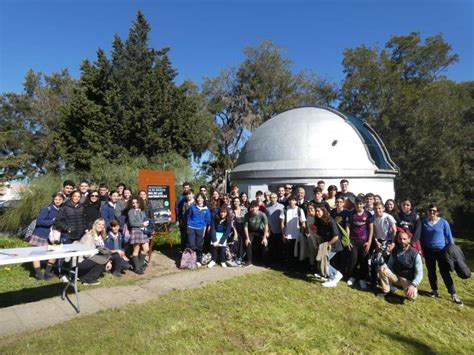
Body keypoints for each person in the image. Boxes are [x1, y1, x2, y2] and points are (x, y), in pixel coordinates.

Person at [420, 203, 462, 305]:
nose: (432, 212)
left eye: (434, 211)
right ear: (428, 212)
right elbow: (421, 238)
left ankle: (453, 294)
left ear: (437, 212)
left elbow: (449, 238)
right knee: (431, 271)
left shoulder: (443, 222)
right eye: (430, 210)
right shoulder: (423, 222)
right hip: (428, 251)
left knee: (445, 272)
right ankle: (434, 290)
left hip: (442, 251)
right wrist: (421, 251)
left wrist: (452, 251)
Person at [377, 230, 423, 300]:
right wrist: (384, 266)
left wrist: (413, 285)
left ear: (409, 240)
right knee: (382, 269)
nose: (402, 241)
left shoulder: (415, 254)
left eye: (404, 239)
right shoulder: (395, 250)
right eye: (400, 239)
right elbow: (389, 264)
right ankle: (386, 290)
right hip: (396, 276)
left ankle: (409, 289)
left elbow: (419, 273)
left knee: (412, 297)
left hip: (407, 279)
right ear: (397, 240)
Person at [29, 192, 64, 280]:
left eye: (60, 199)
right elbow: (39, 221)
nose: (57, 201)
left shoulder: (61, 210)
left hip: (53, 237)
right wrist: (52, 221)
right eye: (56, 199)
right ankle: (38, 273)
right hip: (41, 234)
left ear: (63, 200)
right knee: (36, 255)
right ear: (53, 199)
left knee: (54, 254)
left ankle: (47, 272)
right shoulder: (46, 209)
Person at [313, 203, 344, 287]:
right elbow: (321, 235)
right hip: (326, 244)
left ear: (323, 211)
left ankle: (333, 278)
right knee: (321, 260)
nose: (317, 213)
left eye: (318, 211)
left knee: (324, 261)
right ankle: (336, 274)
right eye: (316, 211)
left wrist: (327, 245)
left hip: (334, 245)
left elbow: (336, 237)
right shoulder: (320, 221)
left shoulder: (330, 221)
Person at [74, 218, 112, 285]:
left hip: (87, 260)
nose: (100, 226)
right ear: (95, 225)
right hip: (79, 262)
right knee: (102, 260)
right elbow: (87, 254)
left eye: (102, 225)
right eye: (99, 224)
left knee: (104, 259)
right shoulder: (89, 236)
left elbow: (103, 251)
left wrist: (108, 260)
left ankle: (84, 277)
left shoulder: (99, 236)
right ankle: (88, 279)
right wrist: (104, 260)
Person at [347, 197, 374, 290]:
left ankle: (362, 279)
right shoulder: (351, 213)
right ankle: (353, 277)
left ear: (364, 204)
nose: (358, 205)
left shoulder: (368, 214)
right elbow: (348, 227)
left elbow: (371, 229)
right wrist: (348, 240)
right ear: (355, 204)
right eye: (357, 203)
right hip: (353, 240)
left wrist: (369, 242)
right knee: (353, 260)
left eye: (360, 204)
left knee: (364, 260)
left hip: (364, 241)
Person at [370, 201, 397, 288]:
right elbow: (373, 231)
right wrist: (376, 241)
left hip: (388, 241)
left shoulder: (388, 217)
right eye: (375, 209)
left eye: (379, 208)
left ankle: (389, 283)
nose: (378, 210)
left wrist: (393, 243)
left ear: (383, 208)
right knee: (374, 261)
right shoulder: (373, 217)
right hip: (378, 241)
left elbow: (394, 230)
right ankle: (374, 282)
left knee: (385, 263)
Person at [280, 195, 307, 266]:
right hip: (287, 235)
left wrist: (302, 233)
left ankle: (296, 266)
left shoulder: (300, 210)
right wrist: (283, 234)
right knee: (288, 251)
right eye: (290, 200)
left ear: (296, 201)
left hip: (297, 235)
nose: (291, 201)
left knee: (296, 252)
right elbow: (282, 222)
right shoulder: (284, 209)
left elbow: (303, 223)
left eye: (293, 200)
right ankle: (289, 265)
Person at [186, 192, 211, 267]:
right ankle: (191, 260)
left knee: (199, 245)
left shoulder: (206, 209)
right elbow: (189, 216)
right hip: (191, 228)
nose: (199, 199)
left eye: (201, 198)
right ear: (196, 199)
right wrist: (189, 224)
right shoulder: (193, 207)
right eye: (198, 198)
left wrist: (204, 227)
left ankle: (198, 260)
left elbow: (207, 219)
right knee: (191, 244)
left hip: (200, 228)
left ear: (203, 199)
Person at [128, 196, 150, 274]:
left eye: (136, 202)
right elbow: (132, 223)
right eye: (133, 203)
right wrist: (142, 224)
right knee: (136, 250)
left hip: (143, 231)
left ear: (139, 202)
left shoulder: (142, 211)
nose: (135, 204)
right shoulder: (131, 211)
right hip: (136, 231)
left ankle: (139, 265)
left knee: (146, 249)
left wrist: (146, 224)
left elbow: (144, 219)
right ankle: (137, 268)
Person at [244, 200, 269, 266]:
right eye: (251, 207)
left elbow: (266, 226)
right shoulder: (247, 215)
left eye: (255, 207)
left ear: (258, 207)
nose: (253, 208)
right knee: (248, 243)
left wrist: (264, 238)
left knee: (264, 244)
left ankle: (264, 262)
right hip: (251, 231)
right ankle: (249, 261)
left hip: (260, 231)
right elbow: (245, 227)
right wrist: (247, 238)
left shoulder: (262, 214)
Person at [265, 193, 284, 264]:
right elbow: (266, 220)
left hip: (280, 230)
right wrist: (267, 230)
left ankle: (279, 262)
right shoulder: (267, 207)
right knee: (272, 247)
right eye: (271, 197)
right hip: (271, 230)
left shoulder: (281, 206)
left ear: (276, 198)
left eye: (274, 197)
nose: (272, 199)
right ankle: (272, 262)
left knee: (279, 247)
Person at [231, 196, 247, 264]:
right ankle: (236, 256)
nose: (236, 202)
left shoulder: (244, 209)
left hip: (243, 228)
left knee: (242, 241)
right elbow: (232, 222)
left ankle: (241, 257)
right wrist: (235, 232)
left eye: (237, 201)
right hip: (235, 228)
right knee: (236, 240)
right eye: (235, 201)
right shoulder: (231, 210)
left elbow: (246, 220)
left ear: (240, 202)